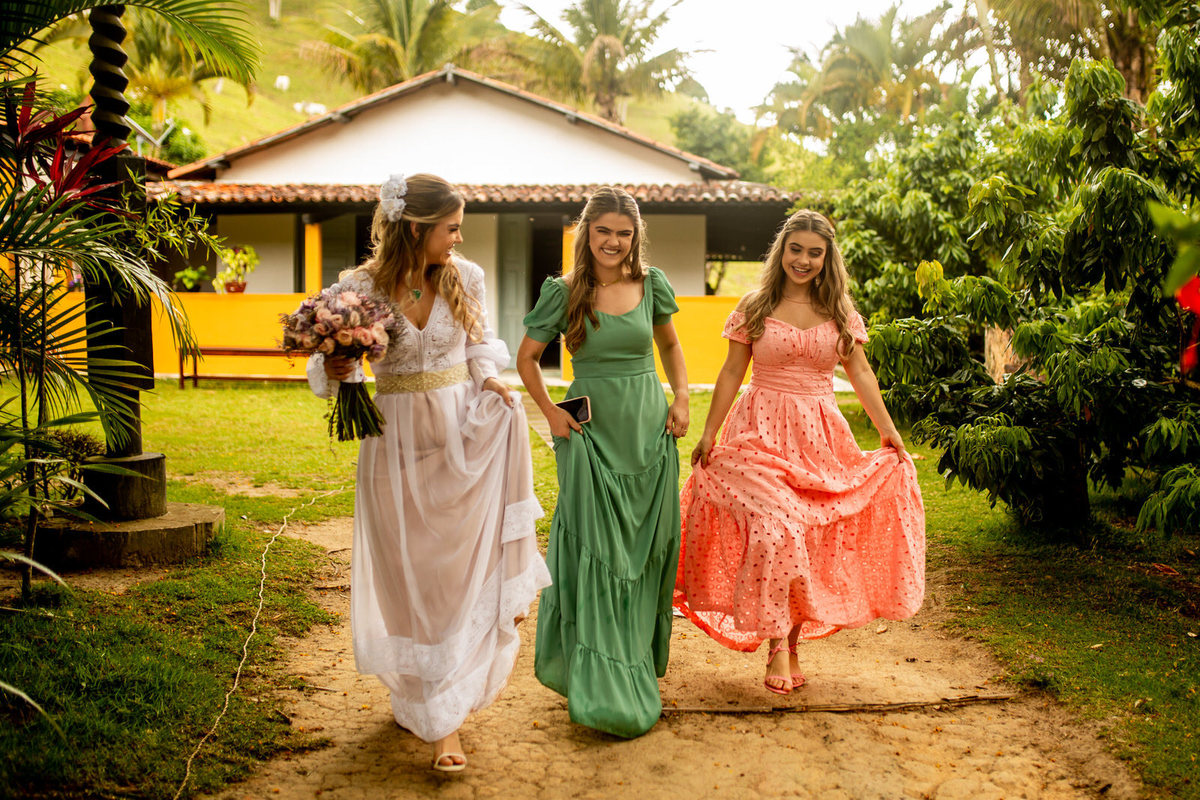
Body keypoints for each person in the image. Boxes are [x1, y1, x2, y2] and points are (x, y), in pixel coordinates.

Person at [307, 173, 551, 771]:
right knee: (405, 576)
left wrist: (491, 380)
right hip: (390, 441)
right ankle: (418, 690)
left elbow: (476, 348)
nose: (458, 237)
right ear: (416, 227)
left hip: (457, 436)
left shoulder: (467, 277)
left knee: (450, 578)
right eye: (451, 227)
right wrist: (338, 370)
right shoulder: (357, 288)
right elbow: (325, 372)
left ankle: (446, 724)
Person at [673, 209, 925, 696]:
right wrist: (710, 432)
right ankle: (779, 645)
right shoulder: (756, 304)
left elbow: (861, 374)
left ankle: (786, 641)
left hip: (820, 437)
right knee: (775, 530)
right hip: (759, 434)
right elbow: (730, 372)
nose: (804, 260)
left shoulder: (839, 310)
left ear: (827, 257)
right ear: (781, 250)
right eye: (796, 249)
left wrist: (889, 432)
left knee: (805, 540)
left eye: (815, 252)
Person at [515, 186, 689, 738]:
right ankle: (596, 680)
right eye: (603, 231)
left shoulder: (651, 284)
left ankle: (634, 665)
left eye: (624, 233)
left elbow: (670, 347)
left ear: (634, 236)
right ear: (585, 233)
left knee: (640, 552)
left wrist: (681, 397)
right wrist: (549, 412)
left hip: (646, 429)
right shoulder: (563, 292)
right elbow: (525, 358)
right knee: (595, 550)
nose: (613, 242)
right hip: (588, 434)